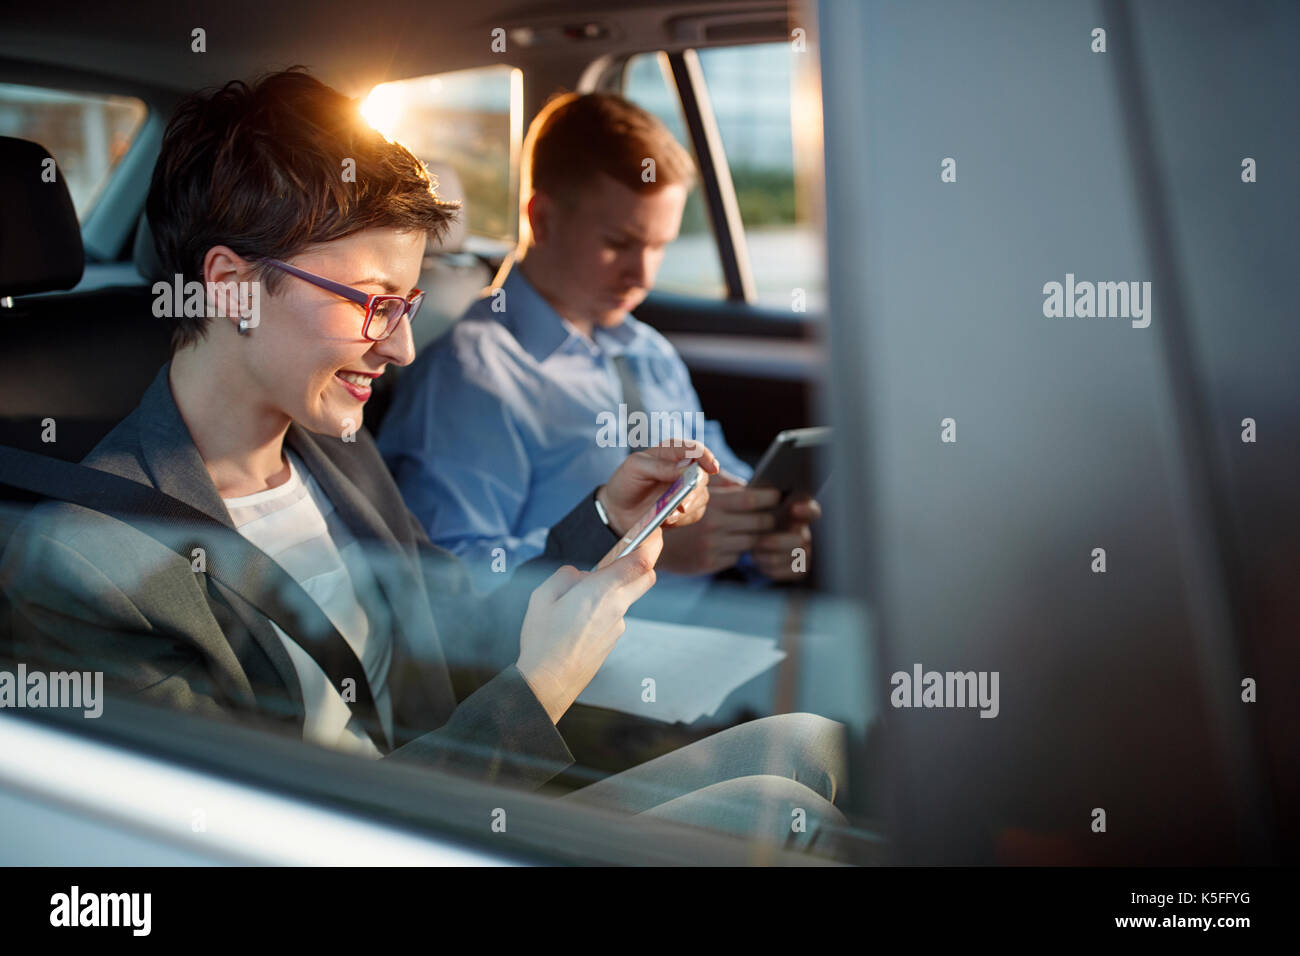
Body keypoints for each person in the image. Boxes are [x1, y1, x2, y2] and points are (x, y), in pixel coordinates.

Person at [0, 70, 847, 854]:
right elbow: (291, 843)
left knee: (810, 742)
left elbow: (453, 607)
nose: (403, 346)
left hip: (462, 796)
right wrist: (542, 687)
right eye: (373, 303)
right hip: (406, 840)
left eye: (406, 304)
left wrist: (605, 523)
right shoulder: (85, 568)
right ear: (229, 286)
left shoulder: (334, 450)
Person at [376, 92, 821, 598]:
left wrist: (761, 537)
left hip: (717, 631)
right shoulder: (472, 375)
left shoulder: (649, 352)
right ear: (541, 220)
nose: (643, 275)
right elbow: (454, 585)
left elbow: (722, 487)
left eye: (659, 246)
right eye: (619, 243)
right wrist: (642, 552)